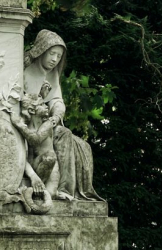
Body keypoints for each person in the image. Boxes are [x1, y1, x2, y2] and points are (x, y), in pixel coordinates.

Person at [22, 30, 102, 201]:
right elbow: (24, 101)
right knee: (65, 134)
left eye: (59, 56)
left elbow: (56, 100)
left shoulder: (52, 73)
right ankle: (64, 188)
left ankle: (67, 189)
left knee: (83, 147)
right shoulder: (24, 68)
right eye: (52, 54)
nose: (55, 59)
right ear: (42, 50)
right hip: (30, 123)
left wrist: (57, 114)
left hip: (47, 122)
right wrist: (40, 98)